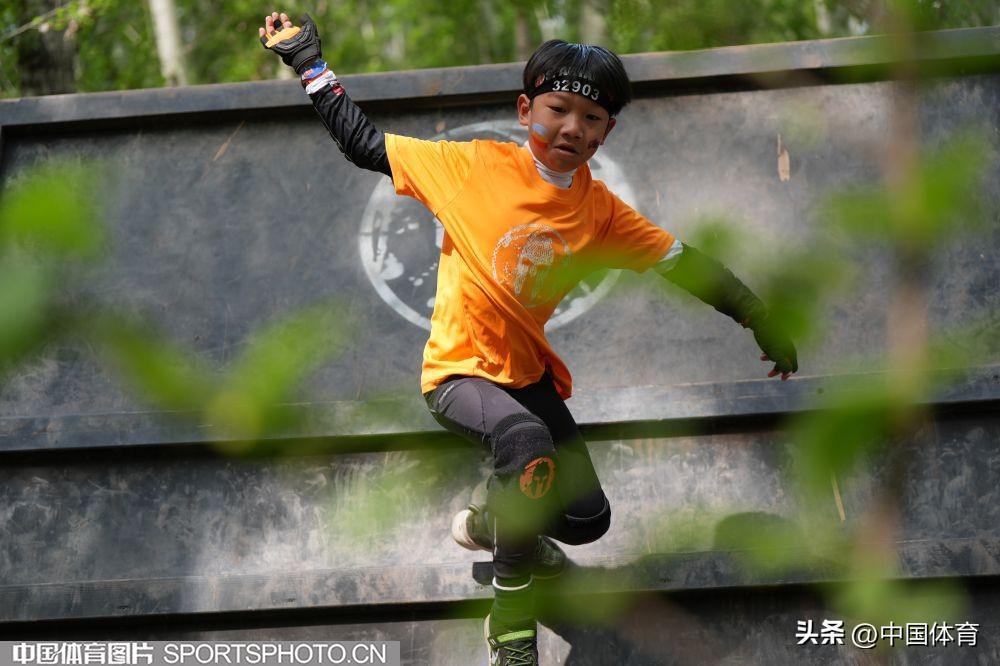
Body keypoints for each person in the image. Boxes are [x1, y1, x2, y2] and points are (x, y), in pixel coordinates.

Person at [260, 11, 797, 665]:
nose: (572, 128)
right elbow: (365, 145)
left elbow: (683, 264)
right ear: (525, 111)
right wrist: (310, 65)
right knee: (525, 444)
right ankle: (511, 623)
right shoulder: (472, 168)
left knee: (587, 519)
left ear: (606, 132)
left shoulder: (601, 212)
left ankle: (495, 521)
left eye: (590, 119)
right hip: (458, 375)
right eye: (557, 110)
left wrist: (759, 317)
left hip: (525, 377)